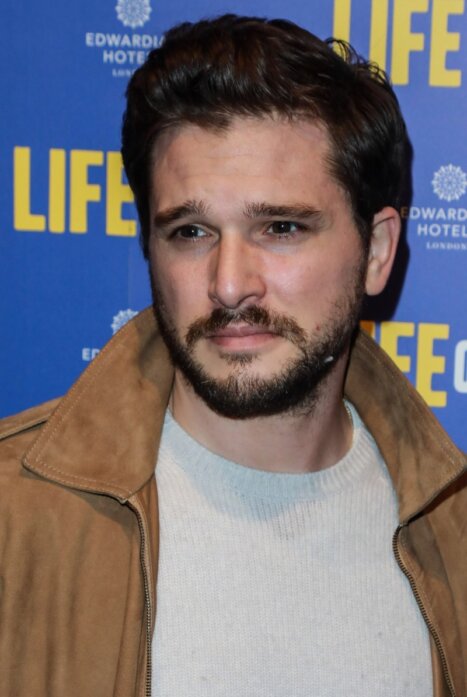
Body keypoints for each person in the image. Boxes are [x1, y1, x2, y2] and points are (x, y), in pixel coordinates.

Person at [0, 14, 465, 697]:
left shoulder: (454, 534)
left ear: (375, 252)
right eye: (191, 232)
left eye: (280, 227)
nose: (227, 283)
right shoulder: (14, 519)